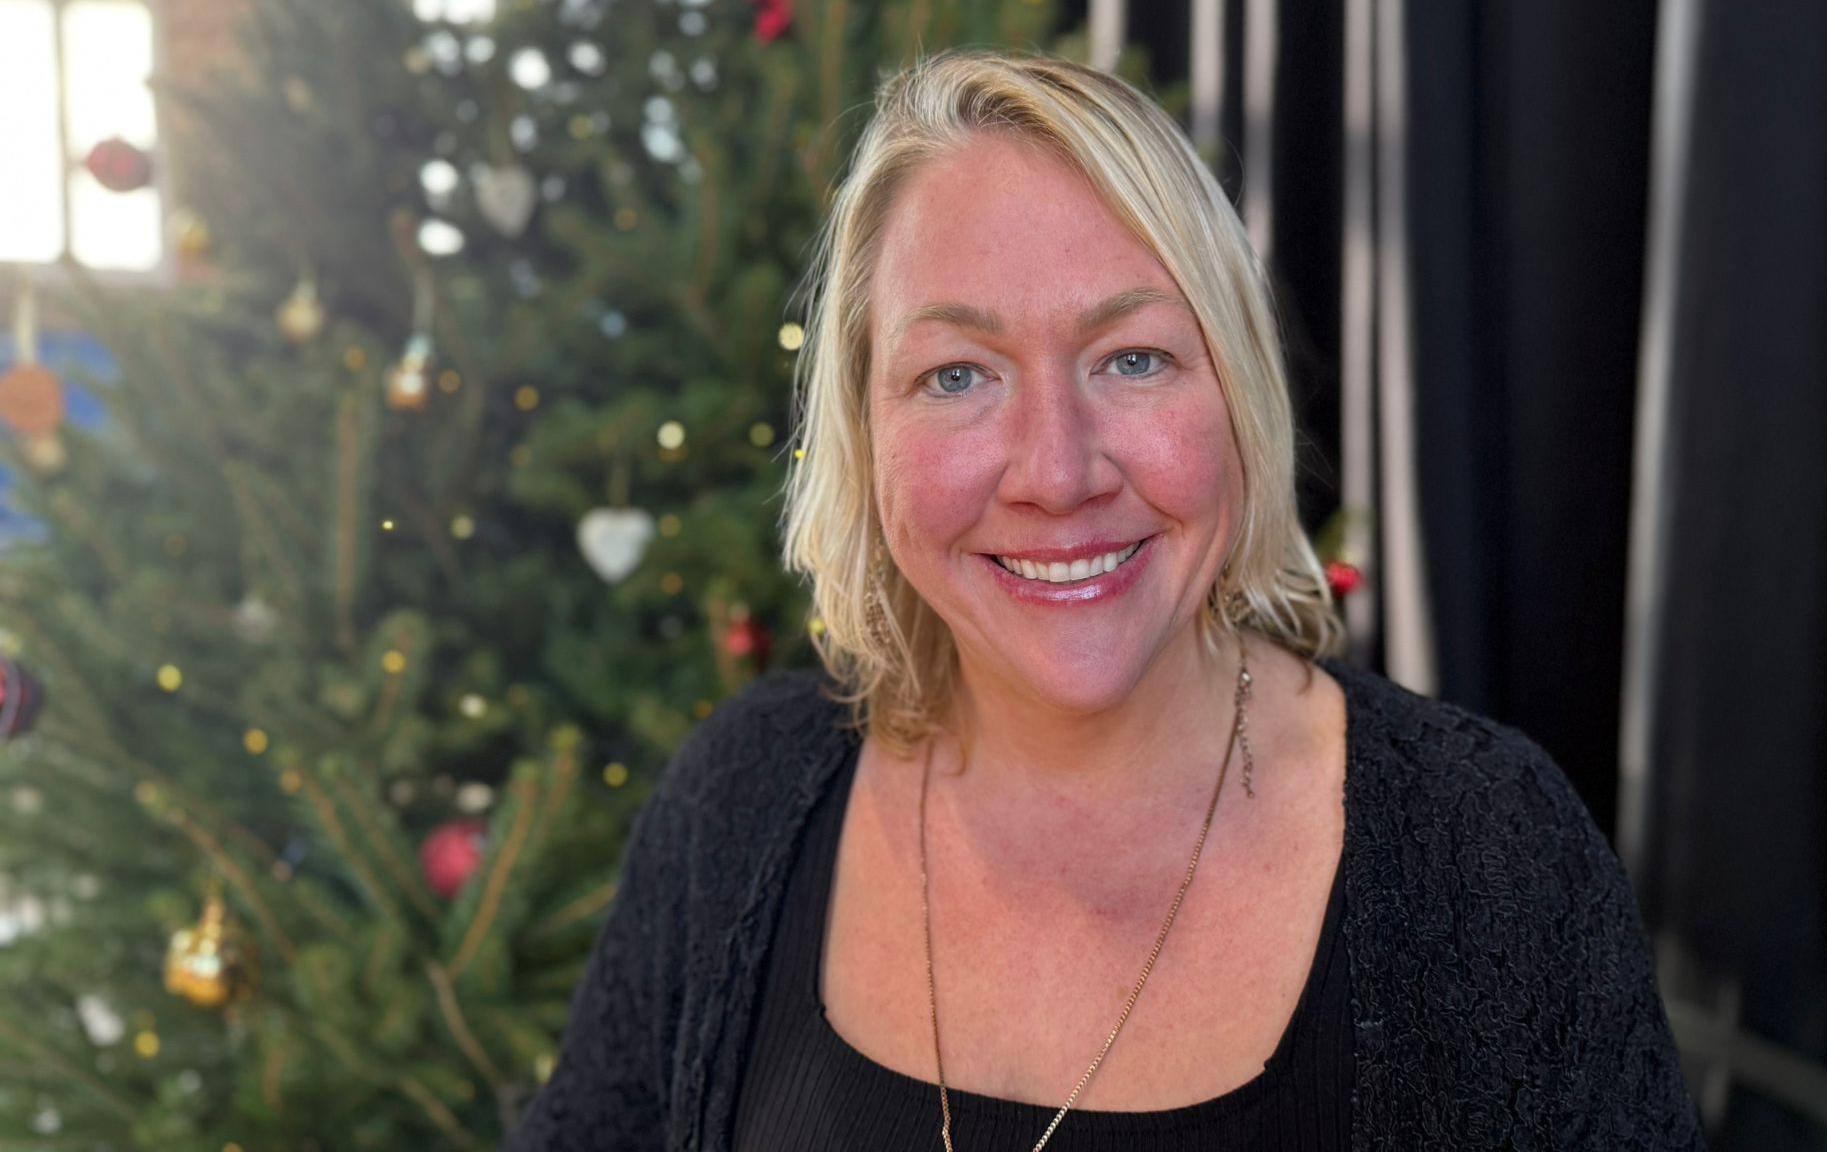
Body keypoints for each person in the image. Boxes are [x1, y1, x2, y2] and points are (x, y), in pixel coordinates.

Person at [504, 47, 1702, 1152]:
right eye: (955, 374)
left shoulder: (1488, 855)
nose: (1057, 472)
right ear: (865, 438)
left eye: (1132, 359)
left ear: (1235, 394)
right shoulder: (742, 798)